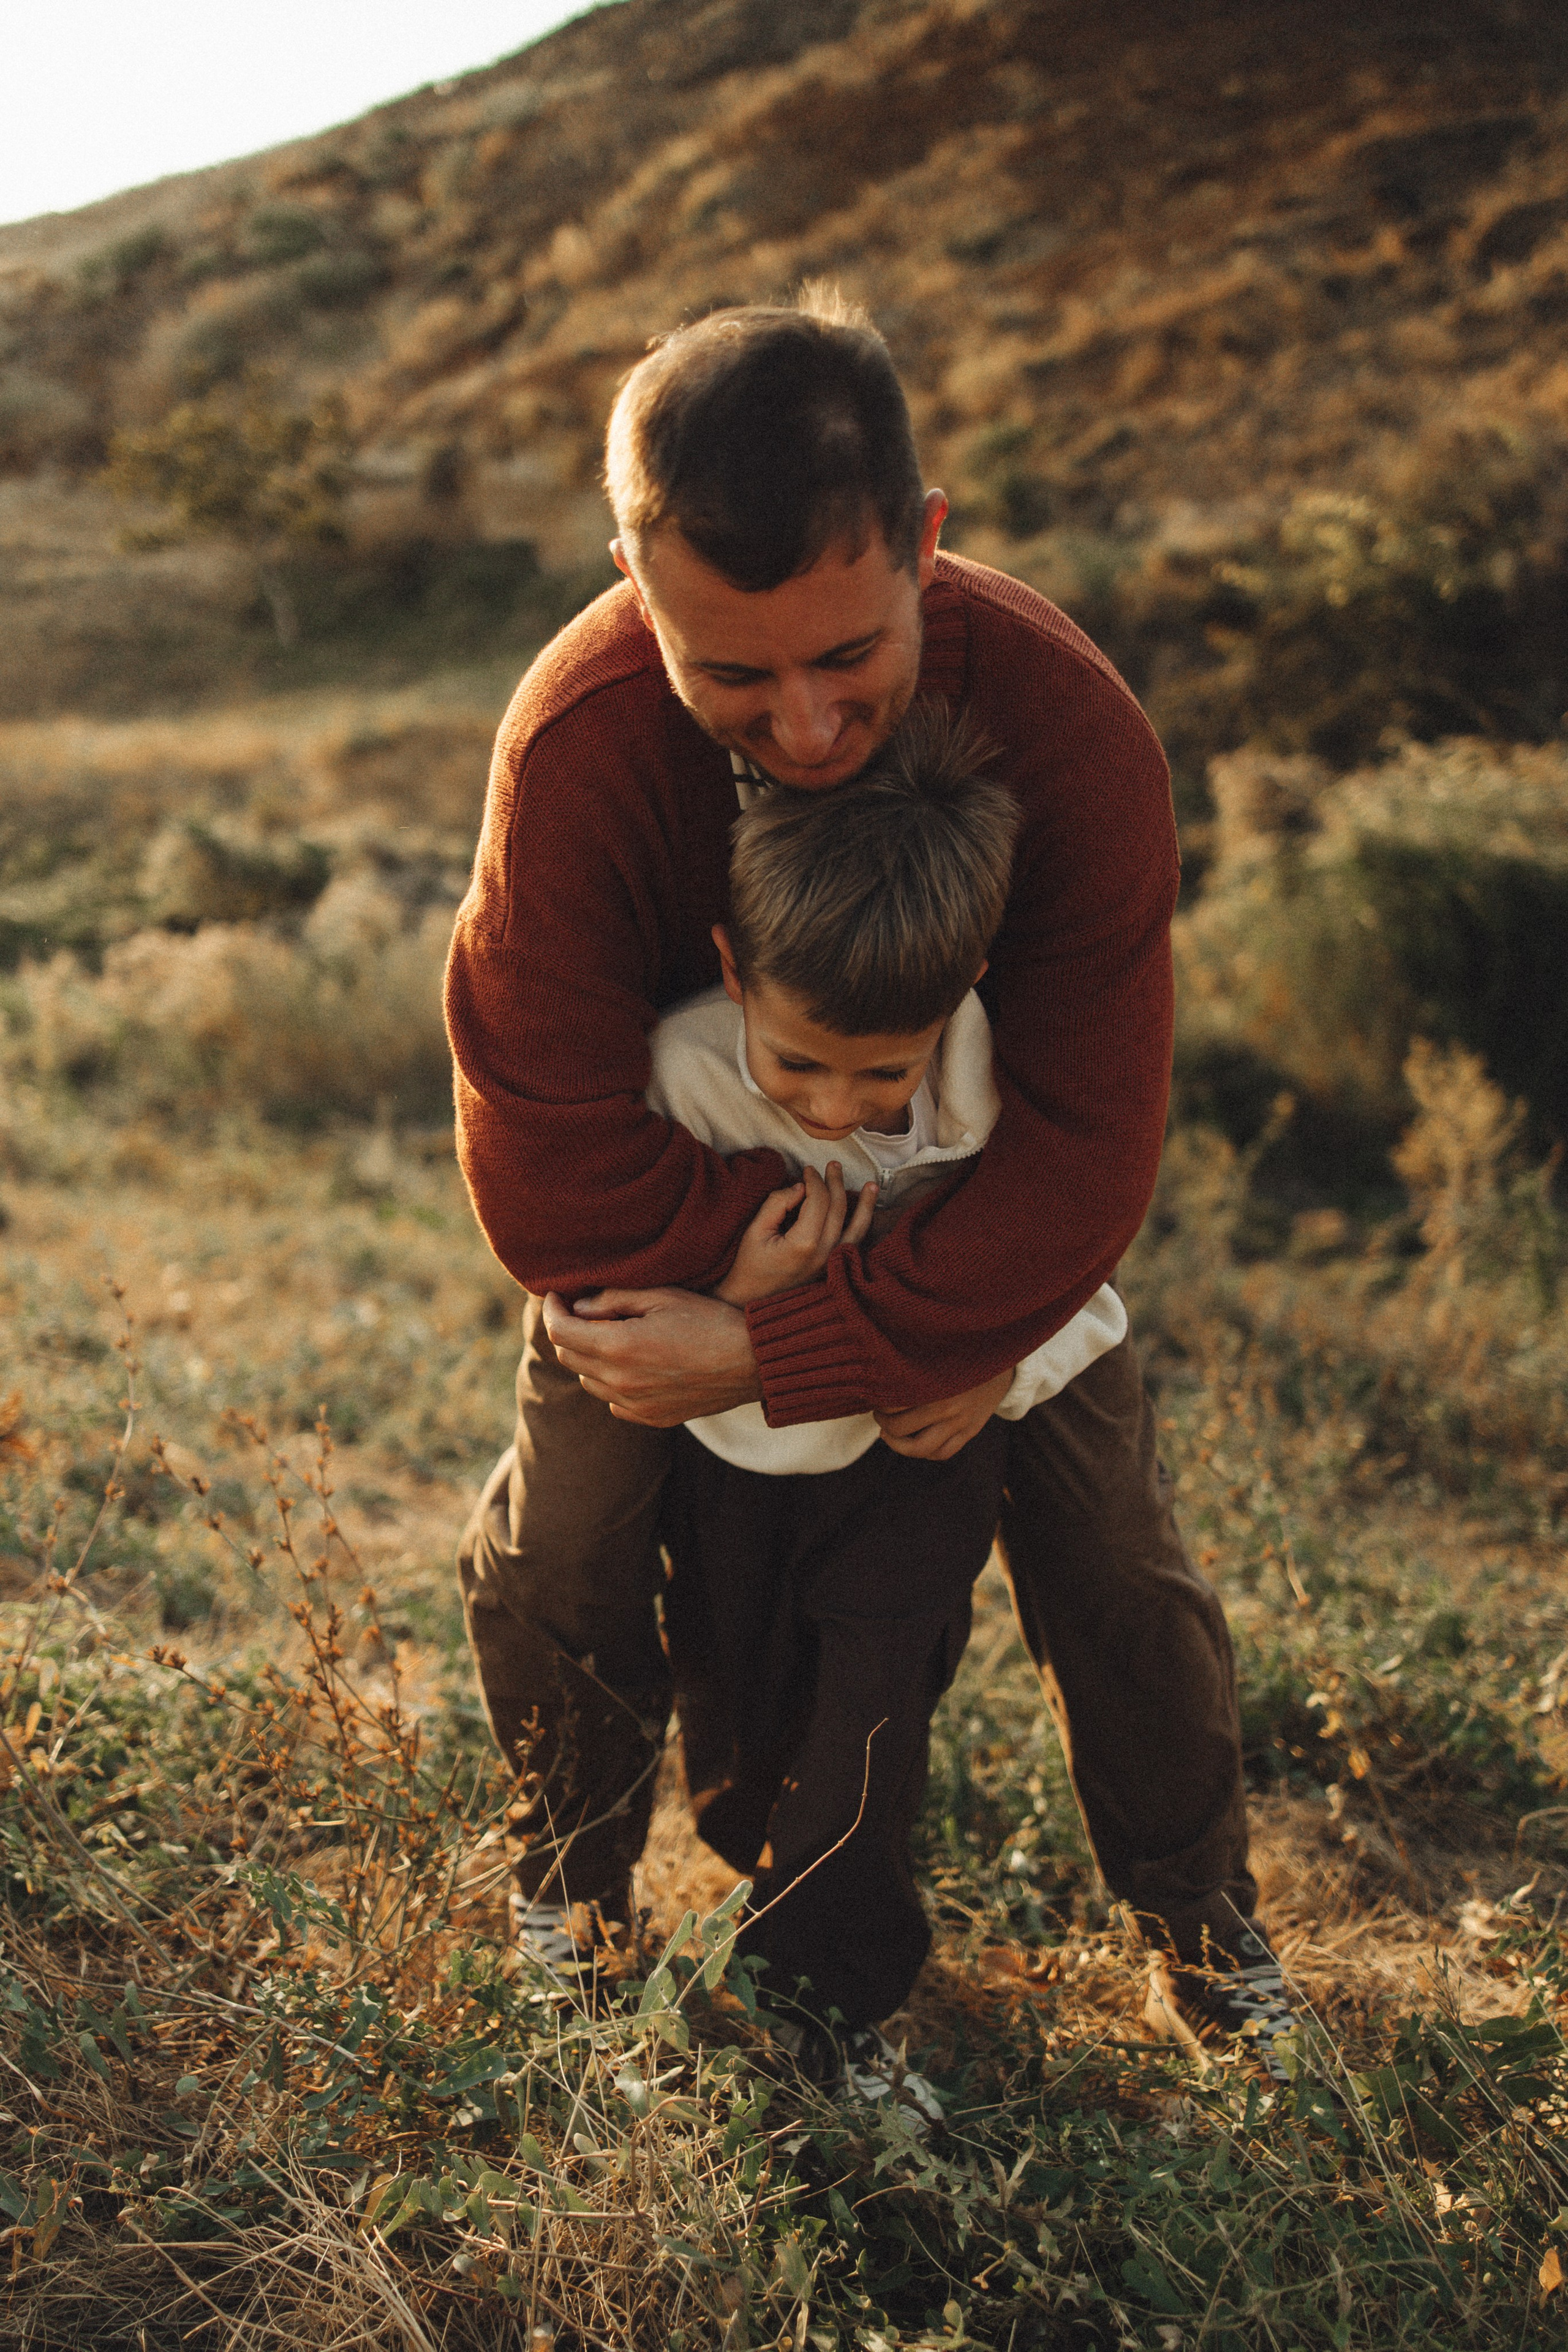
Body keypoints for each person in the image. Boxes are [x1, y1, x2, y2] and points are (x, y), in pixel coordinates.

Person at [445, 290, 1297, 2071]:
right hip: (675, 1235)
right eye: (732, 675)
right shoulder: (581, 741)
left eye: (849, 660)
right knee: (566, 1538)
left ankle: (1211, 1940)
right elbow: (540, 1145)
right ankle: (568, 1900)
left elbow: (1084, 1150)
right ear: (633, 573)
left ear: (922, 542)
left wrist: (808, 1347)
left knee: (1119, 1564)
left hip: (968, 1230)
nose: (810, 725)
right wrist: (727, 1284)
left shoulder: (1070, 732)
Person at [646, 706, 1126, 2100]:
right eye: (800, 1067)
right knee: (737, 1724)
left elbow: (1066, 1276)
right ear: (736, 975)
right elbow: (636, 1271)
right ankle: (766, 1884)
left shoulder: (996, 1093)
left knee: (873, 1714)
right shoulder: (683, 1070)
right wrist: (737, 1287)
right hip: (734, 1461)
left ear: (962, 992)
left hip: (918, 1463)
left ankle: (825, 2011)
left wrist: (994, 1367)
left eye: (881, 1073)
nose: (838, 1106)